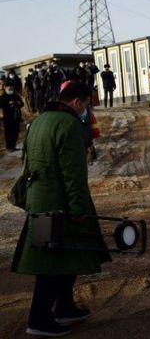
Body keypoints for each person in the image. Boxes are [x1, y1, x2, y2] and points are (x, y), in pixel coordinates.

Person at [11, 81, 111, 337]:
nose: (85, 111)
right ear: (77, 101)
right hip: (61, 203)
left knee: (65, 256)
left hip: (39, 200)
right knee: (52, 262)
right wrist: (78, 207)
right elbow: (74, 173)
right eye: (86, 105)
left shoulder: (39, 121)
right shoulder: (70, 125)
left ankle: (64, 306)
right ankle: (40, 319)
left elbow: (27, 163)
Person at [0, 84, 24, 151]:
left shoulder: (16, 96)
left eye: (11, 87)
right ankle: (9, 147)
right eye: (8, 88)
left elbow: (22, 104)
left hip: (16, 117)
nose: (10, 89)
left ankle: (13, 146)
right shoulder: (3, 97)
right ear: (5, 88)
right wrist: (8, 104)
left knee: (15, 132)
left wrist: (16, 102)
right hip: (7, 117)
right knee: (9, 132)